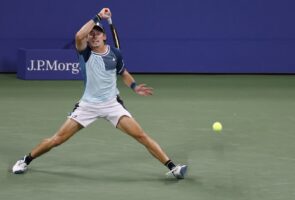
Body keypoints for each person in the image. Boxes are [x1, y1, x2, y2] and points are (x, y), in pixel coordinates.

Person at [12, 8, 187, 179]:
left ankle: (173, 168)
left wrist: (134, 86)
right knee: (57, 139)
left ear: (104, 36)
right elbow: (79, 36)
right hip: (88, 105)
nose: (94, 36)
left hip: (112, 104)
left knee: (141, 135)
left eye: (98, 33)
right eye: (92, 34)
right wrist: (98, 17)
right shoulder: (85, 53)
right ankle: (25, 160)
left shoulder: (115, 54)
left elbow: (123, 73)